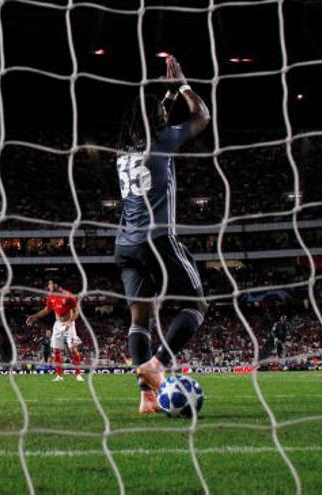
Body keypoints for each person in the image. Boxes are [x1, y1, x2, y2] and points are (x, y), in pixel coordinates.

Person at [112, 55, 211, 413]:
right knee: (196, 305)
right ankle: (158, 363)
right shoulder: (164, 141)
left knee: (140, 318)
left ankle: (147, 398)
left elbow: (150, 122)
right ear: (157, 121)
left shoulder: (122, 154)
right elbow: (202, 116)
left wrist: (164, 98)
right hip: (158, 238)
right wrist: (182, 85)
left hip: (125, 244)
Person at [26, 280, 83, 382]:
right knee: (56, 351)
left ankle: (78, 374)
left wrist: (70, 322)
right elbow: (47, 310)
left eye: (51, 284)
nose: (49, 286)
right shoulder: (51, 296)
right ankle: (59, 376)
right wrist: (34, 317)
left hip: (69, 325)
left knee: (73, 350)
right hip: (57, 325)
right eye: (48, 284)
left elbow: (76, 311)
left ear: (57, 284)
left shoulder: (68, 295)